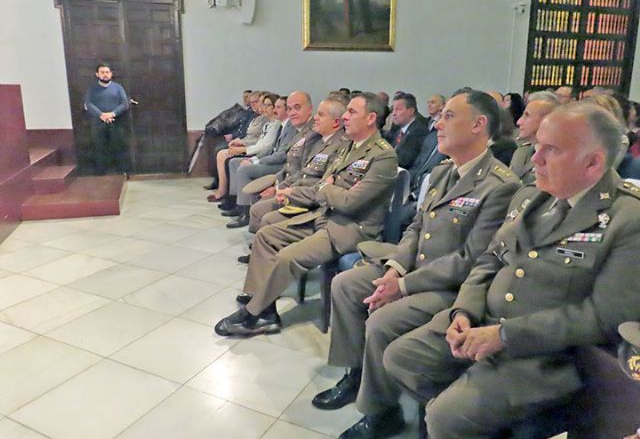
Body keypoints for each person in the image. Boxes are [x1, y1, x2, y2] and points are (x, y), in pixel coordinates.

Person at [382, 102, 640, 439]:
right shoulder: (535, 197)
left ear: (593, 163)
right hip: (482, 323)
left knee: (445, 418)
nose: (535, 159)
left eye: (551, 150)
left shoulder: (627, 219)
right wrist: (465, 310)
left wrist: (504, 337)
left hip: (543, 355)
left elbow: (602, 317)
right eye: (536, 147)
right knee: (400, 357)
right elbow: (489, 260)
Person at [314, 90, 521, 439]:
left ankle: (380, 411)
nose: (437, 123)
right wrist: (394, 269)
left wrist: (404, 285)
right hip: (411, 270)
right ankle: (357, 374)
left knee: (381, 320)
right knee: (347, 284)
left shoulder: (500, 185)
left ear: (479, 125)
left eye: (449, 116)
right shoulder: (442, 173)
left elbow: (470, 259)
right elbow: (415, 229)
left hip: (449, 287)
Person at [214, 92, 398, 336]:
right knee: (267, 235)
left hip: (348, 229)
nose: (345, 116)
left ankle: (254, 314)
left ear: (371, 118)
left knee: (287, 256)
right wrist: (327, 188)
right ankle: (263, 305)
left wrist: (327, 188)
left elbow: (349, 202)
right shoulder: (350, 148)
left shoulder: (383, 155)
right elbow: (324, 185)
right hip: (325, 216)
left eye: (352, 112)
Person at [245, 96, 347, 236]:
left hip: (308, 198)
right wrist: (281, 188)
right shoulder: (318, 140)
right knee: (257, 202)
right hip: (296, 187)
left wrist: (289, 192)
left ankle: (262, 248)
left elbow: (320, 183)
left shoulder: (331, 142)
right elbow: (302, 171)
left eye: (320, 114)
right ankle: (258, 246)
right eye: (289, 108)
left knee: (265, 215)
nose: (316, 118)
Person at [225, 92, 315, 228]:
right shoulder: (293, 128)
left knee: (245, 170)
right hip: (284, 172)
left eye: (297, 107)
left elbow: (286, 159)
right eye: (290, 109)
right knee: (232, 161)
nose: (292, 112)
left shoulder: (307, 133)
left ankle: (245, 213)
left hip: (286, 173)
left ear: (309, 109)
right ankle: (239, 206)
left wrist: (278, 186)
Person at [83, 63, 130, 175]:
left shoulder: (118, 88)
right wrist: (101, 115)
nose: (105, 75)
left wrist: (112, 114)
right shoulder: (92, 89)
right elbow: (88, 104)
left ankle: (121, 172)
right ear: (97, 74)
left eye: (107, 72)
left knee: (118, 146)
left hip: (116, 122)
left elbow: (124, 104)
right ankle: (101, 173)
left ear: (111, 74)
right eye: (102, 72)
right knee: (99, 147)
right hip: (98, 123)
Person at [510, 91, 560, 184]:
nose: (519, 122)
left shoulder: (558, 158)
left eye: (527, 115)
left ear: (546, 120)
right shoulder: (522, 151)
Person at [385, 92, 429, 169]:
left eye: (398, 109)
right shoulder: (398, 131)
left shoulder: (418, 131)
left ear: (411, 111)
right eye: (393, 109)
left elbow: (404, 160)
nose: (394, 113)